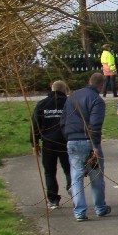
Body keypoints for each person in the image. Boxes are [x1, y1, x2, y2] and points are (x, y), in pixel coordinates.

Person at [62, 72, 111, 222]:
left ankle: (79, 211)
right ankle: (100, 207)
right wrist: (95, 145)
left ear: (89, 81)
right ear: (101, 85)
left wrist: (68, 137)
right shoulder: (96, 100)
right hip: (88, 142)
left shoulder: (72, 97)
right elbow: (95, 125)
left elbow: (63, 120)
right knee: (96, 176)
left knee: (76, 177)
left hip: (72, 140)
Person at [30, 80, 71, 209]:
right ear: (64, 90)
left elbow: (35, 124)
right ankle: (71, 186)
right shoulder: (69, 103)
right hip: (66, 141)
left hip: (48, 142)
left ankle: (53, 199)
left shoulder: (42, 104)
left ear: (52, 89)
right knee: (69, 168)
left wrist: (34, 143)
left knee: (49, 172)